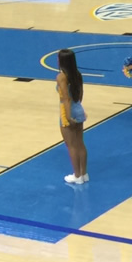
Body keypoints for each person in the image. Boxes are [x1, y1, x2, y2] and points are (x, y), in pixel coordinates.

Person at [57, 48, 87, 185]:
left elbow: (65, 99)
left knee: (71, 146)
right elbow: (80, 94)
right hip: (78, 108)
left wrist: (68, 117)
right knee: (80, 143)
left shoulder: (62, 77)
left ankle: (77, 175)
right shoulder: (77, 74)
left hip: (67, 112)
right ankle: (84, 174)